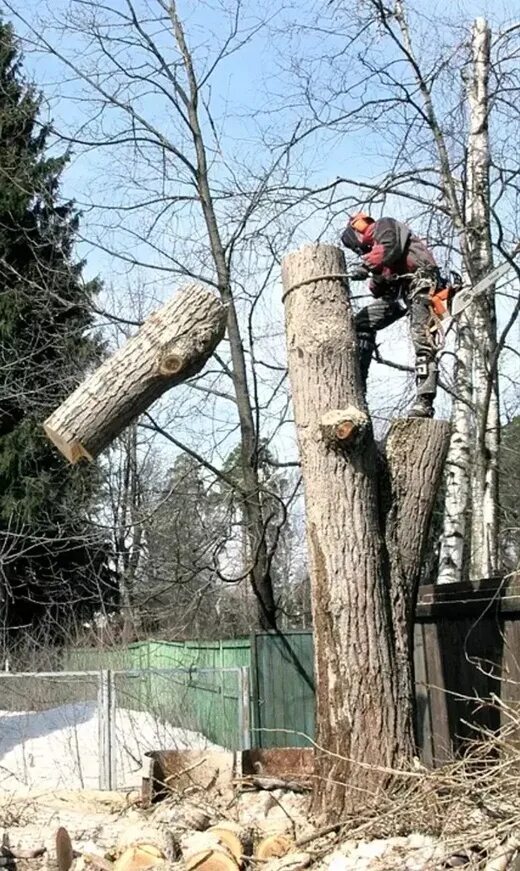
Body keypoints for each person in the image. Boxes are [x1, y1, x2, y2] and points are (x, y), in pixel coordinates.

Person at [341, 212, 440, 419]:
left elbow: (389, 248)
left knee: (421, 338)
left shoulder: (385, 226)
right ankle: (358, 386)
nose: (360, 251)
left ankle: (425, 400)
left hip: (421, 283)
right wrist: (373, 277)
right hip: (401, 293)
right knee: (362, 323)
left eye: (357, 246)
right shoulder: (378, 253)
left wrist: (366, 265)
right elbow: (379, 287)